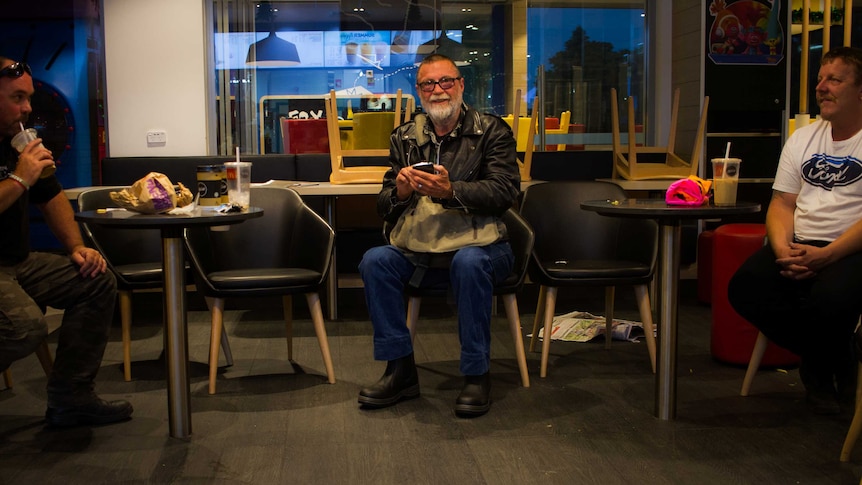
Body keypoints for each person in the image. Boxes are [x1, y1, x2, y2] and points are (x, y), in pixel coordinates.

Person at [357, 54, 520, 417]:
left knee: (469, 260)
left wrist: (451, 191)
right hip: (422, 249)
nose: (438, 90)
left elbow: (506, 192)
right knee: (375, 261)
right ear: (419, 92)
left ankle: (477, 374)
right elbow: (384, 205)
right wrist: (399, 192)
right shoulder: (404, 136)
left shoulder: (492, 131)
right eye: (429, 84)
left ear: (461, 85)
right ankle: (399, 369)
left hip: (486, 248)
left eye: (446, 81)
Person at [728, 46, 862, 415]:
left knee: (829, 299)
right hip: (800, 243)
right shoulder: (803, 138)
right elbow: (782, 204)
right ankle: (840, 358)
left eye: (835, 79)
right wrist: (782, 248)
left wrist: (827, 255)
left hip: (851, 248)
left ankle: (817, 374)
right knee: (745, 288)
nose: (822, 87)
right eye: (820, 79)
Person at [0, 56, 133, 426]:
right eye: (17, 98)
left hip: (17, 262)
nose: (27, 107)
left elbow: (51, 195)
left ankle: (70, 398)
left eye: (28, 98)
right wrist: (20, 178)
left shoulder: (16, 143)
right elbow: (26, 184)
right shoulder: (18, 162)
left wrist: (77, 247)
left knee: (95, 280)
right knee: (23, 328)